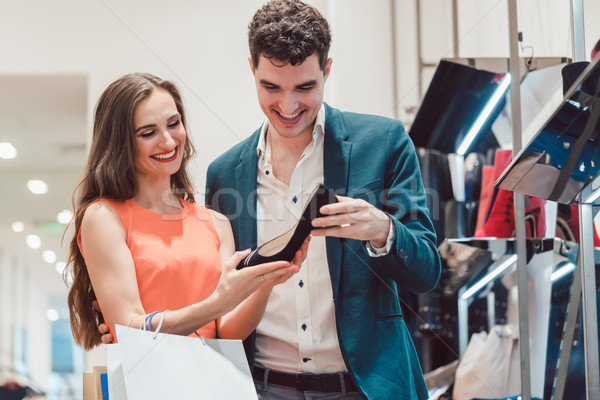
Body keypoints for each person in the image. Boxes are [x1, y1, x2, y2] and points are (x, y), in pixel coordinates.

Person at [204, 1, 442, 398]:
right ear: (252, 69)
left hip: (364, 386)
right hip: (262, 387)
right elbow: (214, 289)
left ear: (327, 71)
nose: (288, 106)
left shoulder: (382, 143)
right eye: (271, 87)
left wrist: (384, 230)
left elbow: (427, 271)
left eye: (305, 87)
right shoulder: (224, 173)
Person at [67, 72, 304, 350]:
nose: (168, 141)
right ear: (120, 144)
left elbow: (227, 332)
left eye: (173, 123)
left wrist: (265, 283)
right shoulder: (104, 217)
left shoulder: (214, 222)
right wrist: (216, 304)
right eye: (148, 133)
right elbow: (129, 328)